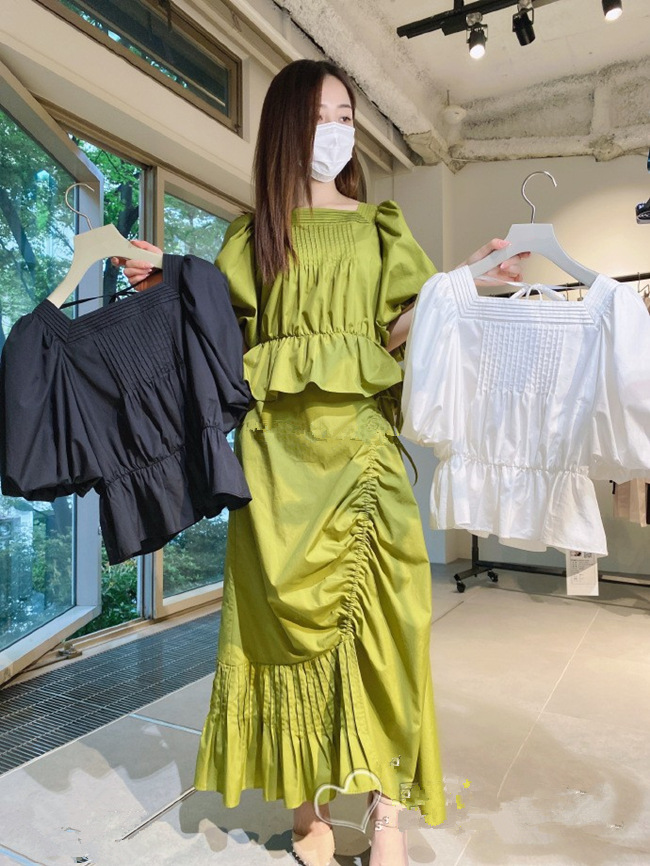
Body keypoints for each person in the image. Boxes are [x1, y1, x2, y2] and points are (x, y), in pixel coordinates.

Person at [114, 59, 527, 866]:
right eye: (319, 116)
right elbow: (216, 343)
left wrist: (463, 284)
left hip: (364, 463)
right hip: (275, 469)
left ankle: (386, 814)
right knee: (278, 638)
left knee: (390, 629)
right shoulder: (252, 237)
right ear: (285, 129)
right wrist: (170, 281)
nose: (335, 130)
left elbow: (393, 334)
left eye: (345, 116)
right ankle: (306, 811)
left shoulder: (379, 227)